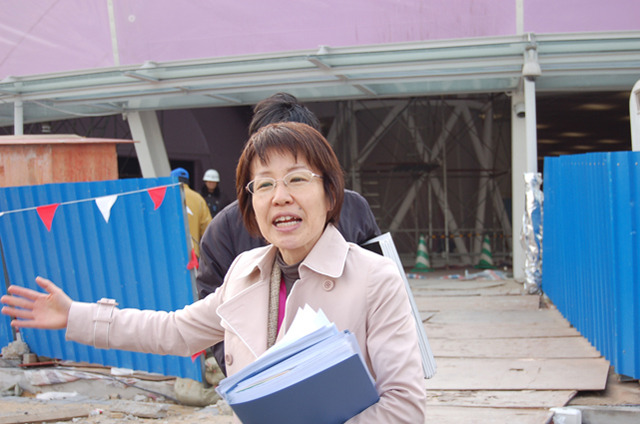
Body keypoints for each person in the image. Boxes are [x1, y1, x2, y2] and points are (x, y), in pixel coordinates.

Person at [2, 122, 426, 423]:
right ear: (250, 202)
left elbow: (404, 407)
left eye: (297, 179)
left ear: (330, 192)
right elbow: (174, 331)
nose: (280, 197)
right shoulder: (246, 272)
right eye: (263, 185)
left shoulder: (374, 278)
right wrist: (75, 315)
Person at [197, 93, 381, 375]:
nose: (282, 197)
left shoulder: (353, 207)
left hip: (347, 374)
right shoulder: (223, 230)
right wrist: (249, 379)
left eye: (296, 172)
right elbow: (214, 324)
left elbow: (378, 297)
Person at [171, 167, 212, 258]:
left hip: (169, 252)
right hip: (192, 253)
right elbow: (208, 229)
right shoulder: (198, 199)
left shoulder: (165, 198)